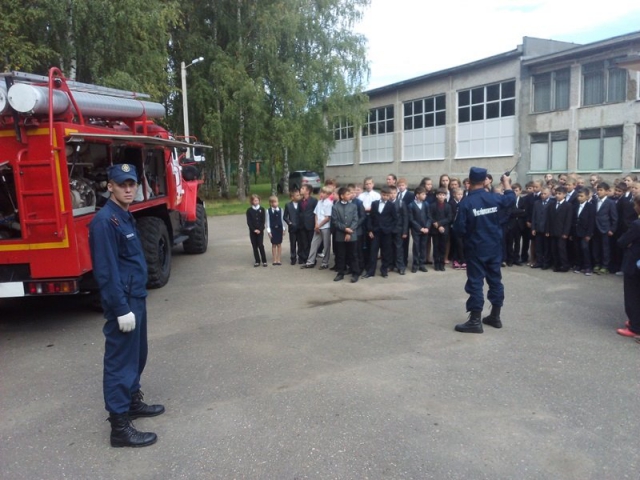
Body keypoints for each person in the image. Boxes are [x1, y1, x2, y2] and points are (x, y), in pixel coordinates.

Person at [89, 164, 164, 448]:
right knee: (120, 361)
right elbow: (106, 272)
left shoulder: (124, 216)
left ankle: (132, 401)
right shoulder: (105, 222)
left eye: (132, 183)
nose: (129, 189)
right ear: (110, 186)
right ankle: (119, 427)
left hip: (136, 298)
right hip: (124, 302)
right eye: (122, 184)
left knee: (137, 355)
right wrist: (120, 309)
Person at [452, 167, 515, 333]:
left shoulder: (466, 202)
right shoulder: (494, 198)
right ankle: (495, 316)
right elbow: (510, 199)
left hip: (476, 248)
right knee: (495, 280)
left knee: (475, 282)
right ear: (484, 180)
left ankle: (475, 321)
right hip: (494, 246)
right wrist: (507, 183)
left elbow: (459, 229)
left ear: (470, 181)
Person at [615, 196, 640, 338]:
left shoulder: (637, 224)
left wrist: (629, 244)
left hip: (634, 263)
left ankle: (635, 327)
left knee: (632, 296)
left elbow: (622, 241)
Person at [363, 186, 398, 278]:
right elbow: (370, 217)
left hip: (386, 233)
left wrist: (390, 229)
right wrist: (370, 230)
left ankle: (384, 270)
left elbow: (395, 219)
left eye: (387, 195)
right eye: (383, 195)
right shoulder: (374, 204)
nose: (385, 197)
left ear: (389, 196)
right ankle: (371, 272)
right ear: (381, 194)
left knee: (386, 252)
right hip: (375, 232)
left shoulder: (391, 205)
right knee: (373, 252)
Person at [331, 187, 360, 283]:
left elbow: (356, 219)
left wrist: (349, 231)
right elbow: (335, 221)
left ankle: (355, 273)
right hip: (340, 235)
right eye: (347, 194)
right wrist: (344, 229)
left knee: (353, 254)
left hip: (352, 234)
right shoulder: (335, 207)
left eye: (349, 194)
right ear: (342, 196)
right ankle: (340, 273)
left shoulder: (353, 206)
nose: (350, 195)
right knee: (341, 255)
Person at [301, 186, 333, 269]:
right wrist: (316, 225)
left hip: (325, 226)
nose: (321, 194)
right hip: (317, 226)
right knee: (314, 243)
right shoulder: (319, 202)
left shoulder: (329, 203)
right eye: (321, 192)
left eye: (324, 193)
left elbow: (327, 217)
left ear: (328, 194)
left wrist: (319, 225)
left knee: (326, 245)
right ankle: (310, 261)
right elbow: (316, 214)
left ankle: (325, 263)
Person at [545, 186, 572, 272]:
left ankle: (564, 265)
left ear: (564, 195)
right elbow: (548, 219)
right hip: (553, 231)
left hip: (562, 231)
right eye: (556, 193)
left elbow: (568, 220)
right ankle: (556, 265)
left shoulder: (568, 206)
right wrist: (547, 230)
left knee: (561, 249)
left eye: (559, 194)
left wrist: (566, 233)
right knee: (554, 249)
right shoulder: (552, 205)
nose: (557, 195)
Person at [592, 182, 618, 274]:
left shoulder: (610, 203)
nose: (599, 192)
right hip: (595, 228)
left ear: (607, 192)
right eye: (598, 190)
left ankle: (605, 265)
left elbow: (614, 217)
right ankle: (597, 263)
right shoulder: (594, 201)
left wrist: (612, 229)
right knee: (596, 248)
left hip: (605, 229)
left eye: (601, 190)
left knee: (605, 248)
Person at [572, 188, 596, 276]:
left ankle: (588, 267)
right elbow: (573, 219)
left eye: (582, 196)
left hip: (585, 232)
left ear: (587, 197)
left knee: (585, 249)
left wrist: (589, 234)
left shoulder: (591, 207)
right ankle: (578, 265)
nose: (579, 198)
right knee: (577, 249)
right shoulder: (575, 206)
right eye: (578, 196)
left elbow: (591, 222)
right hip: (576, 231)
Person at [429, 188, 453, 271]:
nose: (441, 196)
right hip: (435, 229)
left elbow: (449, 218)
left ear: (446, 196)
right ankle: (436, 263)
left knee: (443, 247)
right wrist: (436, 224)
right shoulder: (432, 205)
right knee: (436, 246)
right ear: (436, 196)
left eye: (443, 195)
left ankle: (442, 263)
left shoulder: (448, 206)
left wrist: (440, 224)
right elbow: (430, 216)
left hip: (444, 229)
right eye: (439, 195)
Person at [408, 186, 431, 272]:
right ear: (417, 195)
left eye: (425, 194)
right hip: (416, 230)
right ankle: (415, 264)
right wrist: (420, 228)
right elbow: (411, 219)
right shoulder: (411, 205)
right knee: (416, 247)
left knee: (423, 247)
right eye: (423, 194)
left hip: (425, 229)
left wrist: (427, 227)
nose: (425, 195)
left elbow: (429, 217)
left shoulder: (426, 204)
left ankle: (422, 264)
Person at [298, 184, 318, 263]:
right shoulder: (300, 201)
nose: (301, 189)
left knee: (311, 242)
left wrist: (316, 223)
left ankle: (312, 258)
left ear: (308, 191)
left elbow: (316, 212)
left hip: (310, 224)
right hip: (302, 225)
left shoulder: (313, 200)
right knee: (304, 242)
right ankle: (305, 257)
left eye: (303, 188)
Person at [246, 194, 268, 267]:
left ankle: (264, 260)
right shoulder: (249, 211)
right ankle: (257, 260)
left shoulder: (262, 209)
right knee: (254, 246)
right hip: (253, 231)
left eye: (257, 200)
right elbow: (249, 222)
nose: (256, 202)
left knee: (260, 245)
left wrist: (260, 229)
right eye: (254, 200)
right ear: (252, 201)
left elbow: (263, 221)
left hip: (260, 231)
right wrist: (254, 229)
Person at [265, 195, 285, 265]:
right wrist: (269, 231)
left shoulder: (281, 210)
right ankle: (274, 259)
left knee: (279, 244)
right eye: (273, 202)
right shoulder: (268, 211)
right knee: (273, 244)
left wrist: (283, 229)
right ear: (271, 203)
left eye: (276, 202)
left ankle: (279, 259)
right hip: (273, 229)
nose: (275, 203)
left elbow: (282, 220)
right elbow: (267, 222)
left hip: (279, 229)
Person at [284, 189, 302, 265]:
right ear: (292, 197)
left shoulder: (301, 204)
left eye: (299, 195)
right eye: (297, 195)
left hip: (300, 226)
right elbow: (285, 217)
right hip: (292, 227)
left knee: (300, 243)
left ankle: (300, 257)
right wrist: (289, 223)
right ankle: (293, 258)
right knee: (293, 243)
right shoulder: (288, 205)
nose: (299, 197)